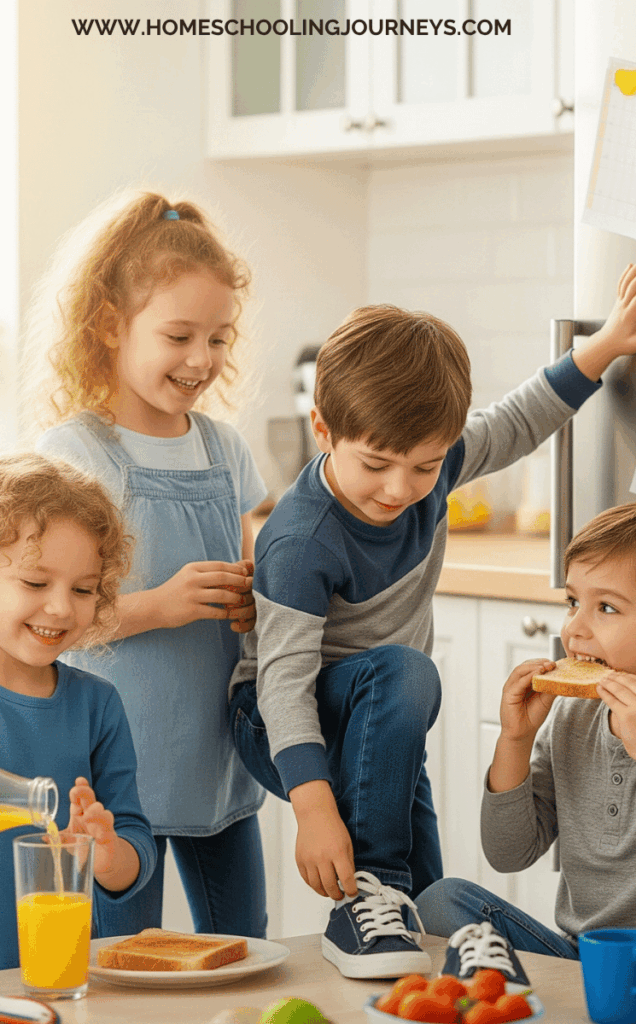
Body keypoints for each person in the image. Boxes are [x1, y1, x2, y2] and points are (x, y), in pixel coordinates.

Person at [228, 256, 636, 978]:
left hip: (383, 720)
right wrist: (312, 810)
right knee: (386, 861)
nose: (399, 489)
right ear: (322, 430)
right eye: (375, 464)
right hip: (281, 722)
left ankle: (397, 947)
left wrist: (599, 348)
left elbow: (521, 419)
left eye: (426, 466)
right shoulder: (303, 539)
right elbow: (281, 688)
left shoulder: (434, 465)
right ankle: (370, 896)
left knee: (422, 907)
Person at [33, 191, 268, 939]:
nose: (201, 359)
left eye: (219, 338)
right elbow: (46, 621)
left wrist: (257, 595)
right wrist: (158, 606)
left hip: (216, 757)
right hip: (111, 771)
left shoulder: (223, 448)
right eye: (178, 336)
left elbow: (250, 561)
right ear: (110, 325)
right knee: (120, 963)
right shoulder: (77, 454)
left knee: (241, 945)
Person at [416, 498, 636, 977]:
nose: (575, 629)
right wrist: (515, 740)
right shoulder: (572, 716)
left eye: (606, 607)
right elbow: (509, 853)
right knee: (442, 900)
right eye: (572, 602)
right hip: (578, 959)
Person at [0, 453, 156, 969]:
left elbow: (135, 844)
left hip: (62, 976)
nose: (62, 608)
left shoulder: (97, 705)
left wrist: (108, 854)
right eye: (35, 583)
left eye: (84, 589)